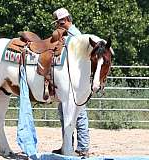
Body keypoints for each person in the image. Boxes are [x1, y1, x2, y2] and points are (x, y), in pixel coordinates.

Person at [52, 8, 90, 158]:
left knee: (79, 115)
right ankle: (67, 145)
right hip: (67, 84)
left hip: (76, 85)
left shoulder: (77, 36)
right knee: (65, 115)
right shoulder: (69, 35)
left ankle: (83, 147)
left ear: (66, 20)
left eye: (60, 22)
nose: (58, 26)